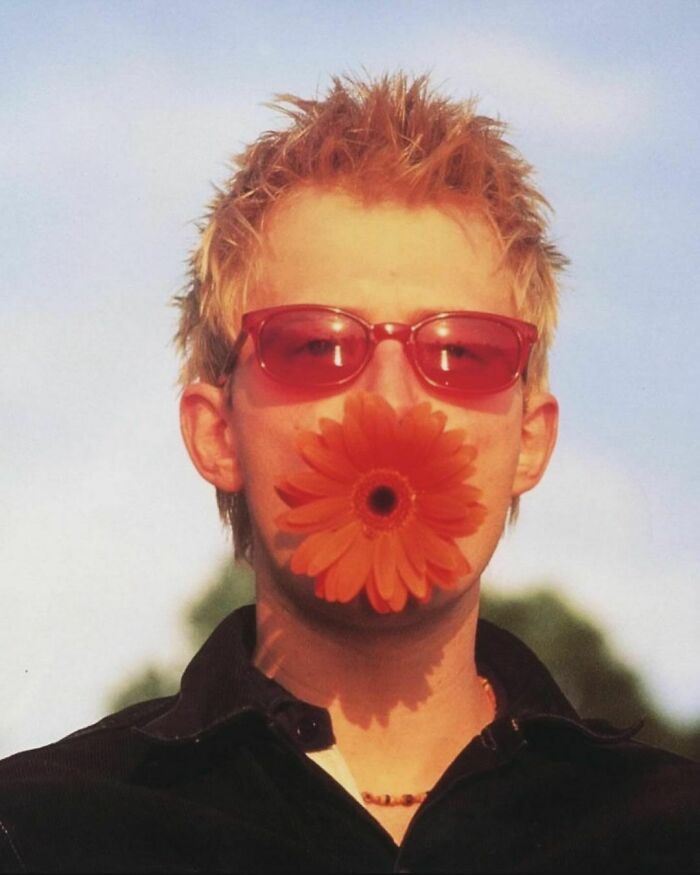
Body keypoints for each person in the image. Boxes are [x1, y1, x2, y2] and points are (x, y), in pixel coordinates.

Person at [0, 73, 697, 873]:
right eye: (315, 346)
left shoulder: (671, 834)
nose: (390, 402)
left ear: (530, 441)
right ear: (217, 431)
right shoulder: (45, 829)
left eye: (461, 353)